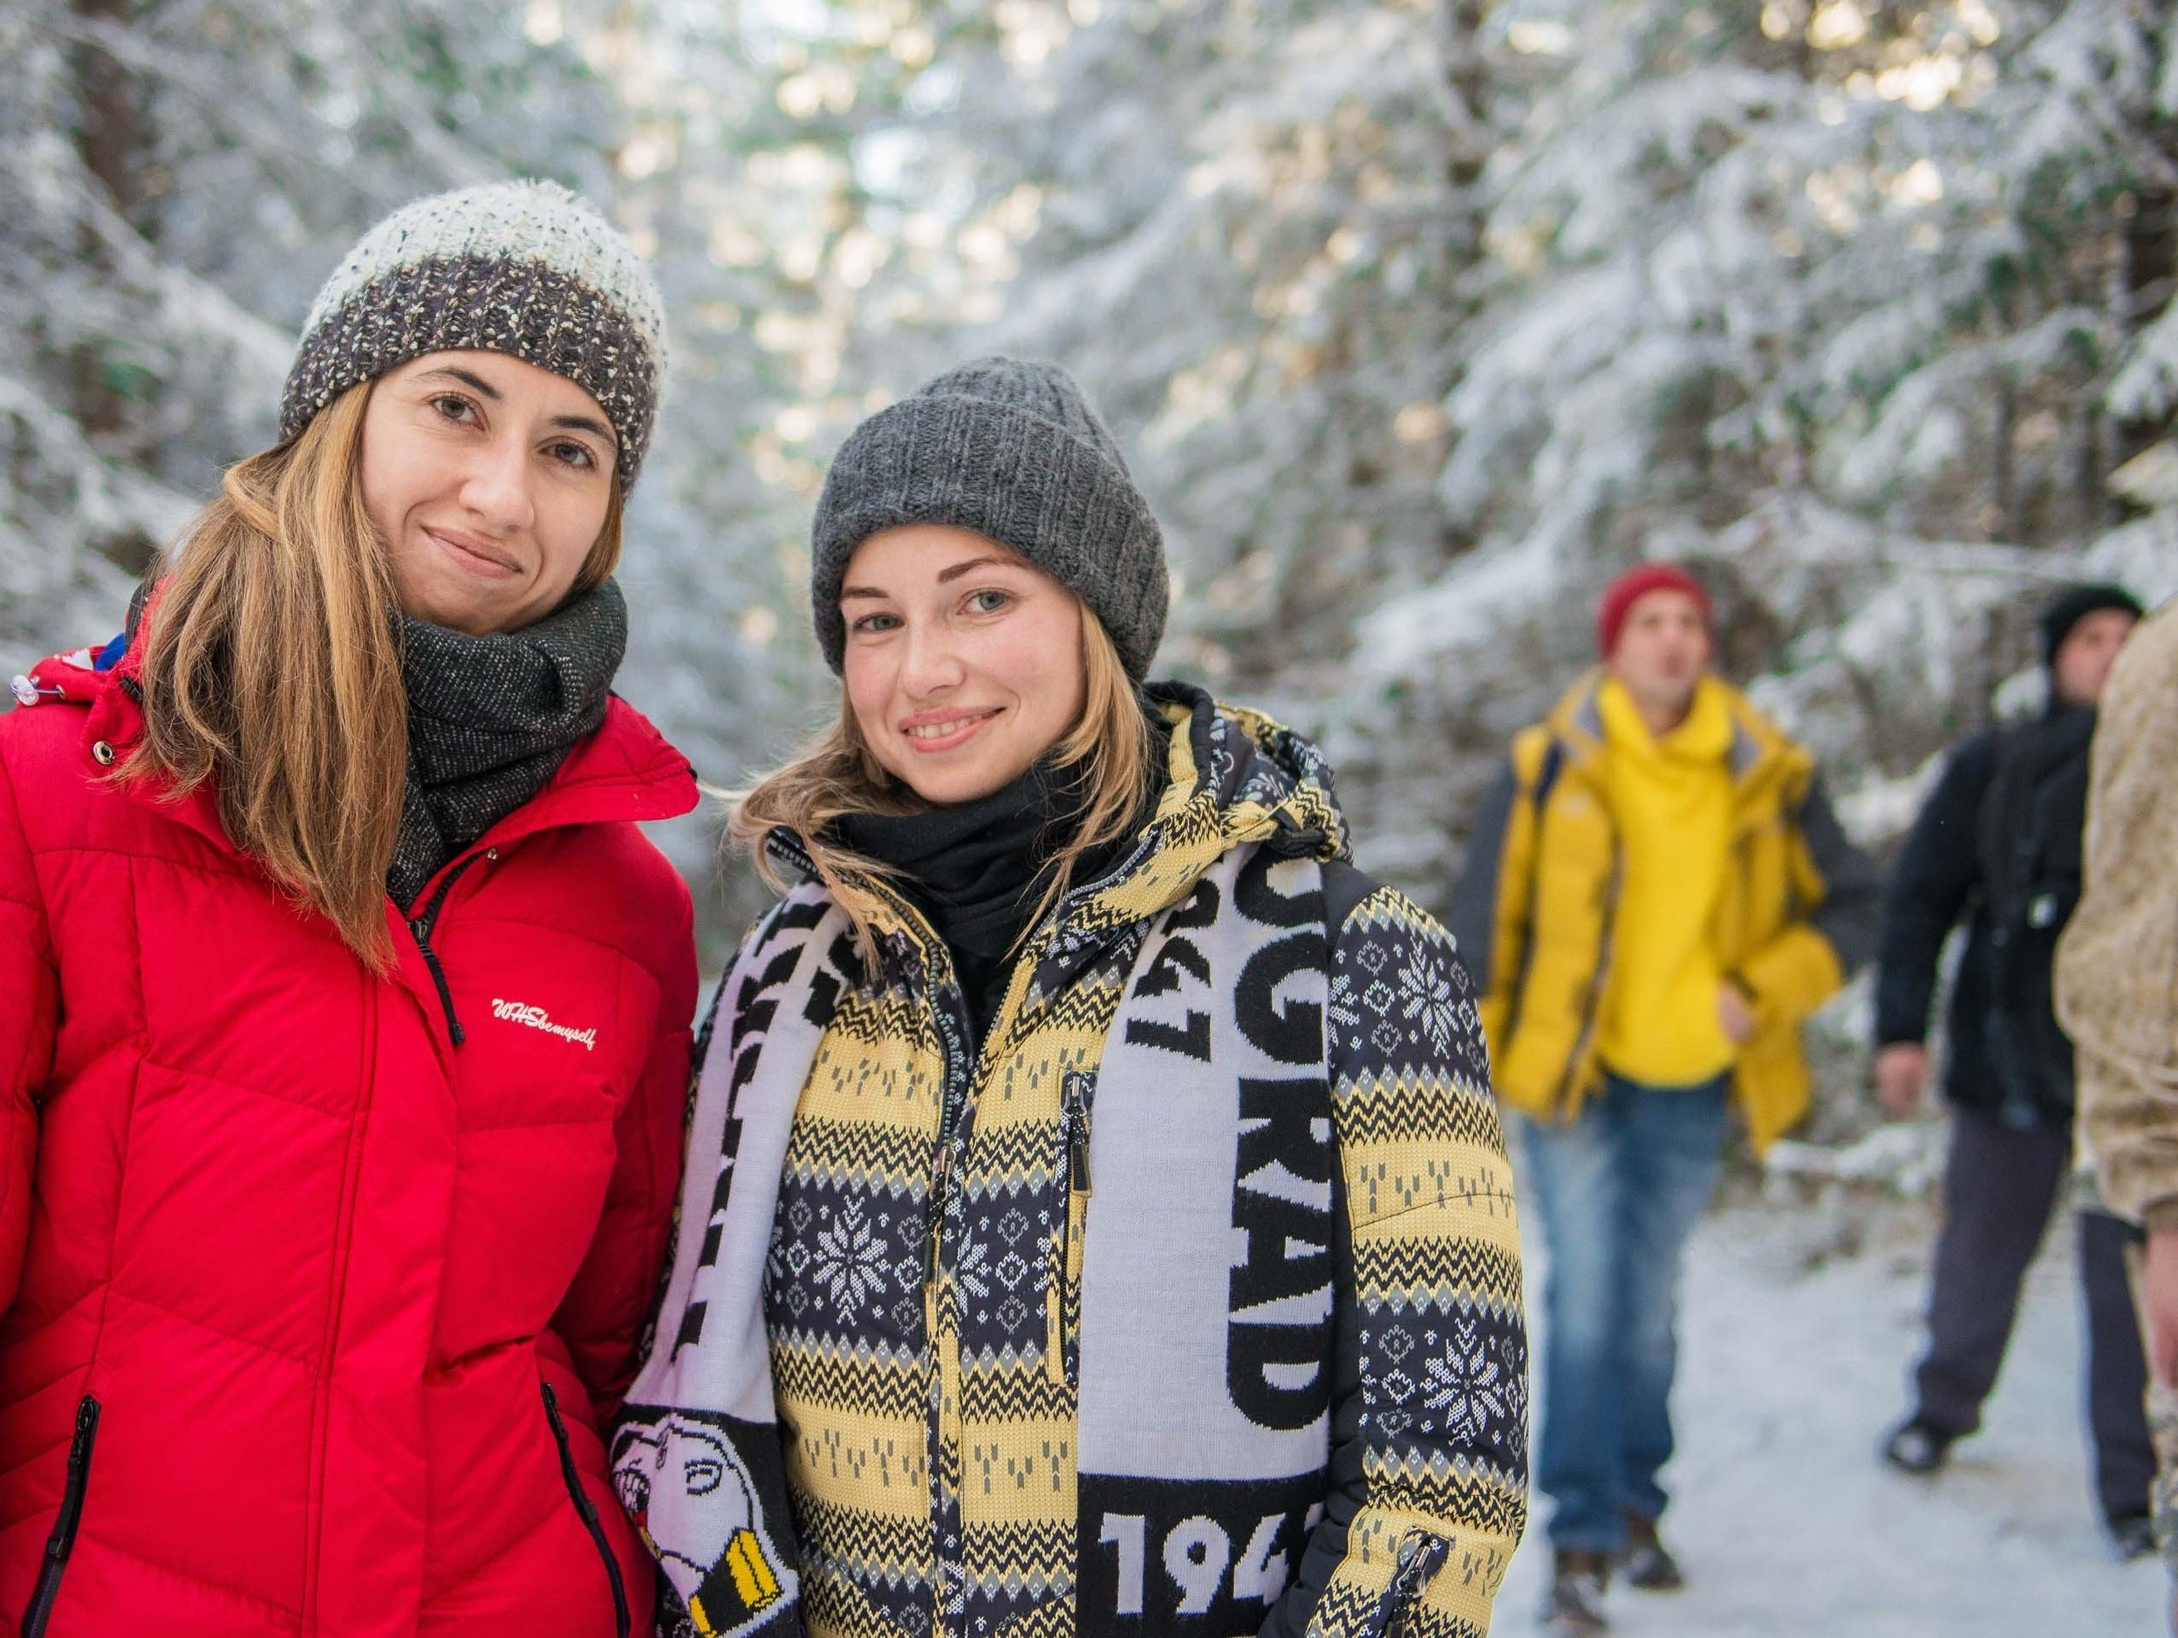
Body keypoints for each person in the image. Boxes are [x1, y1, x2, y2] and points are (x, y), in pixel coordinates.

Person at [0, 182, 699, 1636]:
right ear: (339, 413)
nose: (505, 492)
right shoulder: (57, 802)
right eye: (456, 406)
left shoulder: (623, 904)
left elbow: (608, 1362)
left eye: (572, 449)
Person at [613, 359, 1527, 1638]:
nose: (921, 668)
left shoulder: (1348, 960)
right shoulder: (783, 983)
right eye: (875, 620)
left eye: (981, 599)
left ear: (1096, 614)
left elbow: (1441, 1475)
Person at [1451, 563, 1880, 1635]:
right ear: (1614, 643)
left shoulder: (1763, 768)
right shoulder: (1554, 759)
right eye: (1650, 621)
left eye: (1689, 621)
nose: (1673, 639)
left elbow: (1857, 905)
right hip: (1572, 1081)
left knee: (1647, 1309)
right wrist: (1473, 1054)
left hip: (1694, 1077)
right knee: (1589, 1298)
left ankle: (1641, 1503)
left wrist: (1762, 992)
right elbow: (1482, 914)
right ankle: (1581, 1539)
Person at [1871, 584, 2152, 1555]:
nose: (2110, 655)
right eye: (2090, 638)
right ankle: (1939, 1408)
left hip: (2132, 1080)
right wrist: (1899, 1031)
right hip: (2005, 1061)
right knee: (1979, 1256)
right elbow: (1919, 901)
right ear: (2053, 655)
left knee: (2129, 1288)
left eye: (2128, 639)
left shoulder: (2160, 771)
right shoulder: (1990, 767)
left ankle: (2135, 1484)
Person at [2061, 595, 2178, 1605]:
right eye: (2082, 640)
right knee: (2110, 1287)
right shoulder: (2166, 668)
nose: (2104, 654)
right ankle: (2123, 1489)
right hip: (2039, 1075)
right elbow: (2137, 934)